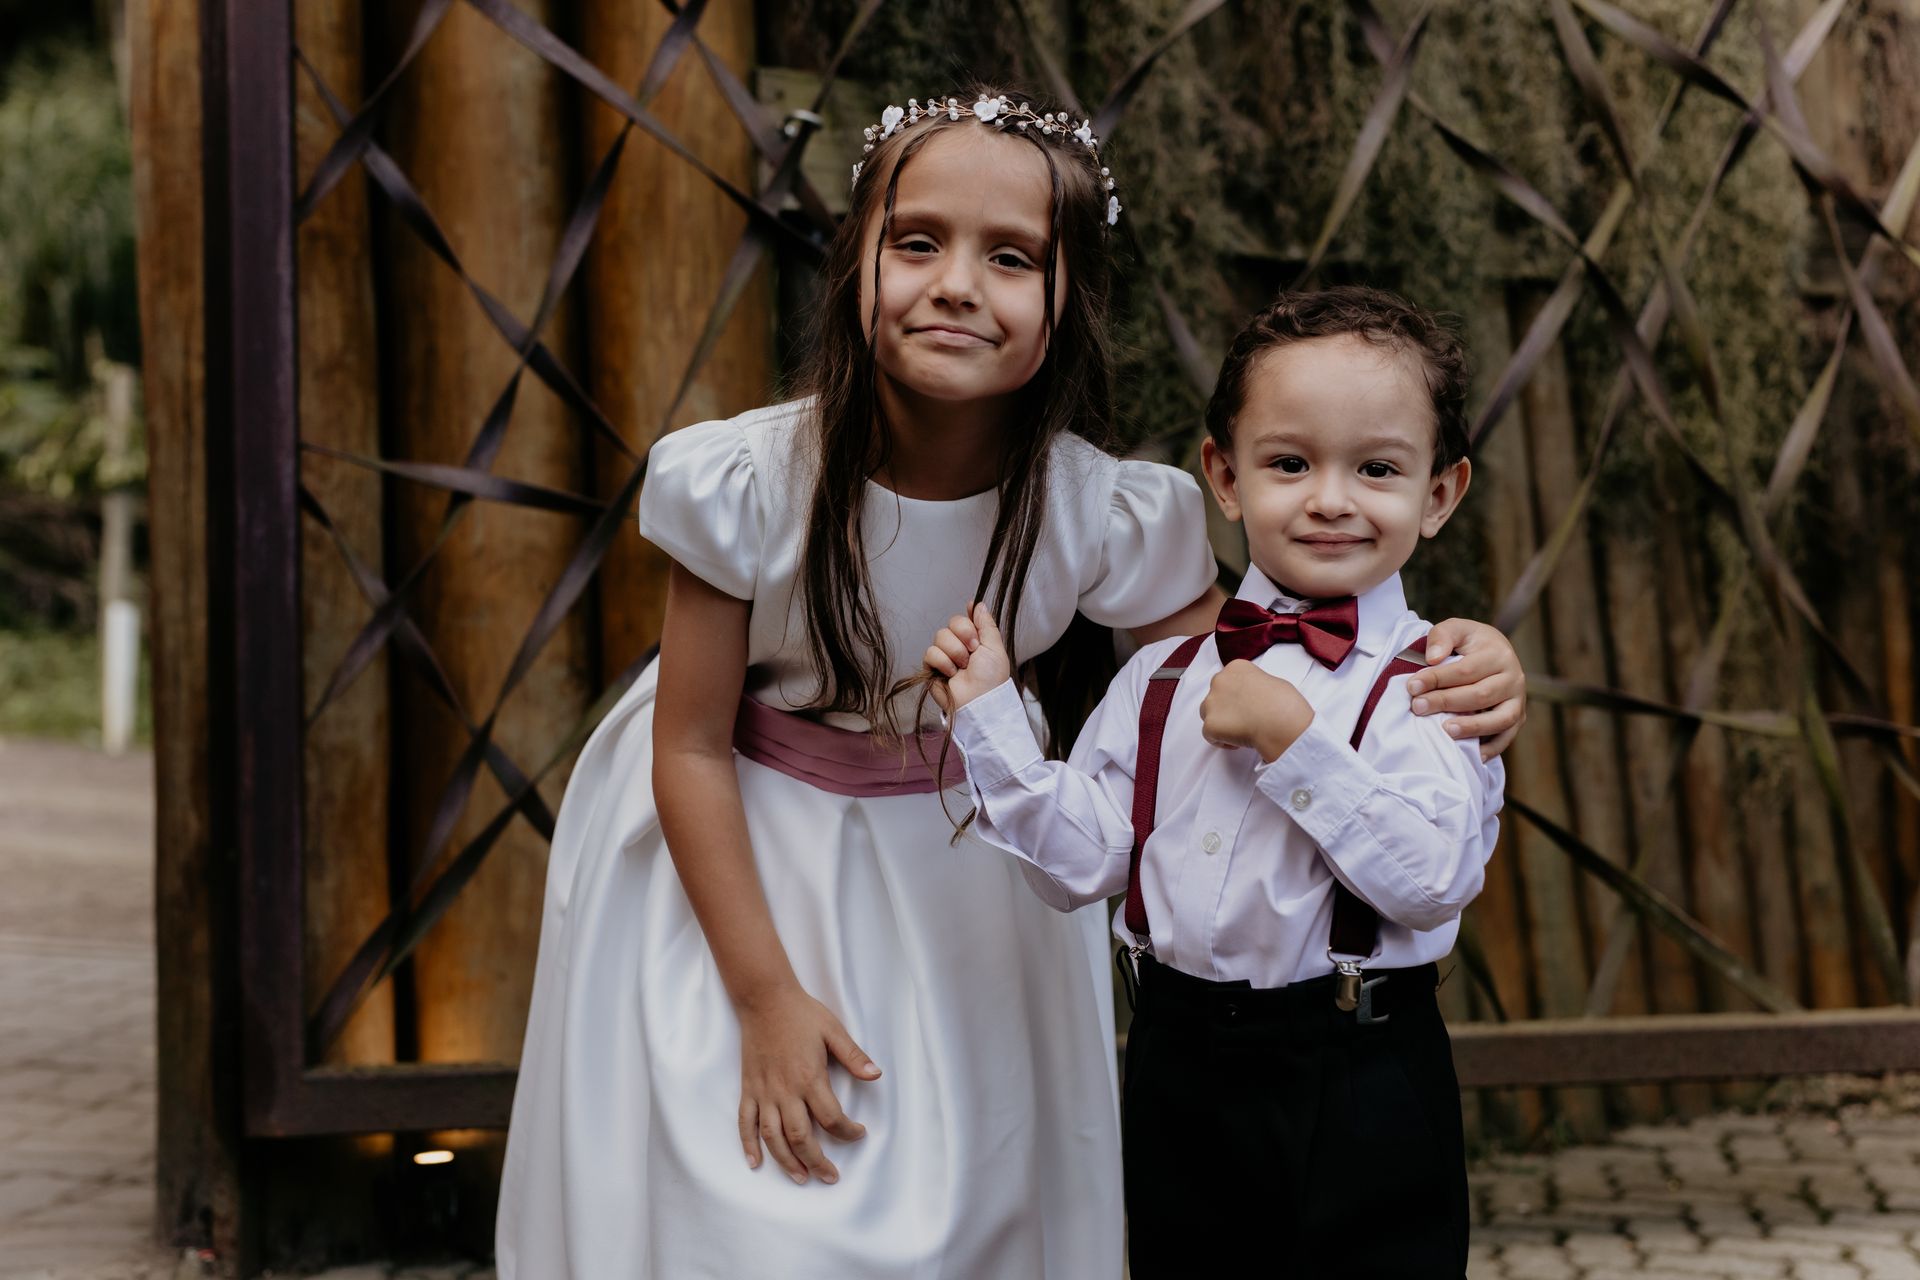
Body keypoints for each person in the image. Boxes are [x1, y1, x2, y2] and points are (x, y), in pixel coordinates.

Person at [496, 84, 1524, 1276]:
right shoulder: (749, 481)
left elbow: (1252, 666)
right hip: (748, 859)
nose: (956, 284)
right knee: (760, 1215)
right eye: (918, 241)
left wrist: (1476, 659)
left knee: (975, 1204)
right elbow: (686, 746)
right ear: (855, 261)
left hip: (974, 870)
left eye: (1011, 257)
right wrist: (764, 997)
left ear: (1065, 297)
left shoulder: (1097, 507)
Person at [929, 285, 1503, 1277]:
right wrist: (989, 718)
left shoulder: (1440, 682)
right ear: (1224, 476)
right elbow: (1085, 863)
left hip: (1360, 1063)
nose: (1330, 496)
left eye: (1376, 467)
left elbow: (1432, 875)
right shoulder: (1157, 679)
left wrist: (1295, 744)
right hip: (1180, 1059)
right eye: (1290, 462)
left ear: (1439, 494)